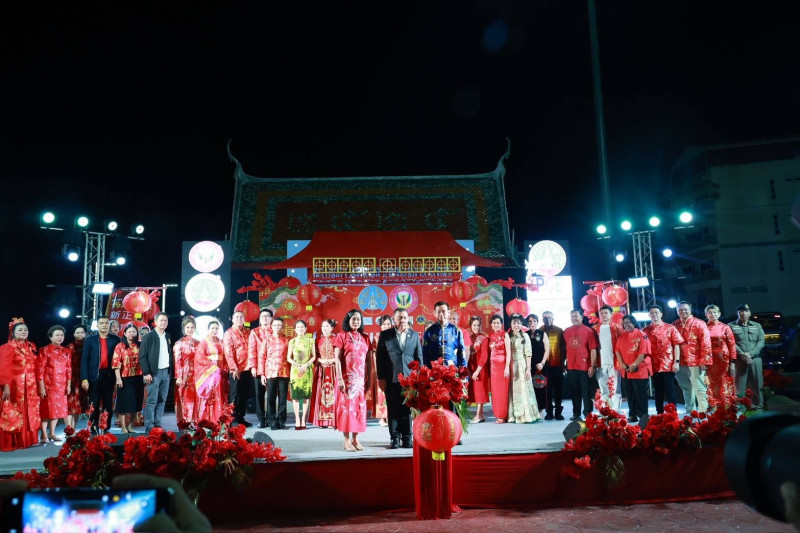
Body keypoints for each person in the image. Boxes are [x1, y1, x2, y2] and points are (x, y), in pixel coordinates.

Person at [376, 308, 423, 449]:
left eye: (404, 317)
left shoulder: (414, 335)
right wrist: (381, 378)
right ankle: (395, 438)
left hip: (409, 380)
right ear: (394, 319)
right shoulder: (386, 335)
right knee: (393, 409)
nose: (402, 320)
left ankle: (407, 437)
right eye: (399, 317)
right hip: (391, 378)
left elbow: (419, 358)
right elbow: (380, 358)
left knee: (407, 410)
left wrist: (420, 377)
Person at [334, 309, 372, 451]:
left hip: (360, 381)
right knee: (347, 409)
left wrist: (369, 379)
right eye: (353, 319)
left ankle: (356, 439)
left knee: (359, 409)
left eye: (358, 319)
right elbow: (337, 359)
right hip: (347, 380)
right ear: (348, 320)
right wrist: (340, 379)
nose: (356, 321)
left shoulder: (365, 338)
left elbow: (369, 361)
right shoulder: (342, 336)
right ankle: (346, 440)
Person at [0, 319, 41, 450]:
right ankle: (13, 442)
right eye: (20, 330)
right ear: (13, 332)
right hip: (15, 385)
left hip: (31, 385)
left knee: (30, 411)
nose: (23, 332)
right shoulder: (8, 347)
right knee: (13, 412)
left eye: (25, 330)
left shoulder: (31, 347)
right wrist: (5, 385)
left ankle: (27, 440)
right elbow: (4, 367)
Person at [80, 316, 121, 435]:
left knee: (108, 403)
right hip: (94, 376)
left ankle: (106, 428)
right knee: (94, 403)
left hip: (109, 376)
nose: (104, 325)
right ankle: (94, 428)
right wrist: (84, 378)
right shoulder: (90, 340)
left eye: (106, 323)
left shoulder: (116, 340)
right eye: (101, 323)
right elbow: (84, 360)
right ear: (97, 325)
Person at [643, 305, 684, 414]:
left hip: (668, 365)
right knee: (658, 390)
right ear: (648, 315)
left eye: (656, 312)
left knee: (670, 389)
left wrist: (676, 362)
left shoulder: (670, 328)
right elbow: (643, 349)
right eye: (651, 313)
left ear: (661, 314)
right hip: (653, 365)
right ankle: (659, 413)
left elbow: (676, 345)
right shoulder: (645, 330)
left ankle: (672, 413)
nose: (654, 314)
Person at [673, 301, 712, 412]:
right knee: (686, 388)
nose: (683, 311)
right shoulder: (675, 324)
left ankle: (703, 412)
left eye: (685, 309)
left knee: (699, 388)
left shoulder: (699, 323)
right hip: (680, 362)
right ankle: (690, 412)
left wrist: (704, 360)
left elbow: (706, 342)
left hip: (695, 361)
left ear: (690, 310)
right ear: (677, 311)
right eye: (680, 310)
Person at [139, 312, 173, 433]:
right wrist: (146, 372)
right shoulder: (148, 337)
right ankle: (149, 426)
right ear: (155, 322)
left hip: (166, 372)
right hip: (153, 373)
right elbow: (142, 356)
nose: (163, 322)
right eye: (161, 320)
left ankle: (158, 424)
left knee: (162, 400)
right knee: (152, 400)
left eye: (165, 320)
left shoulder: (168, 336)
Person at [37, 325, 72, 442]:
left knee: (56, 410)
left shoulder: (66, 351)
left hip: (61, 386)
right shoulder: (44, 350)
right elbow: (40, 370)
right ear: (51, 337)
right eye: (57, 335)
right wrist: (41, 387)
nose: (60, 337)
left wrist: (68, 385)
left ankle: (52, 433)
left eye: (62, 335)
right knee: (46, 410)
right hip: (48, 385)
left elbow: (68, 369)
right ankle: (43, 434)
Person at [615, 315, 652, 422]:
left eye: (629, 322)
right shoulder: (622, 336)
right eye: (624, 323)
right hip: (626, 370)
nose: (626, 325)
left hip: (639, 370)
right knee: (630, 395)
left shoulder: (642, 335)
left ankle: (643, 416)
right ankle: (632, 415)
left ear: (634, 322)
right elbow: (617, 350)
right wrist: (621, 363)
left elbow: (643, 352)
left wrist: (635, 364)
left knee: (640, 394)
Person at [563, 309, 598, 421]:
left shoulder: (589, 331)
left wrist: (592, 365)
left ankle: (588, 414)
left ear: (582, 317)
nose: (574, 318)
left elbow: (593, 349)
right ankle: (576, 414)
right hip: (571, 367)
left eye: (576, 316)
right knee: (574, 392)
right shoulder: (566, 331)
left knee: (586, 392)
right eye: (572, 316)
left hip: (584, 367)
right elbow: (564, 349)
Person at [729, 303, 766, 409]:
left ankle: (757, 407)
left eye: (746, 311)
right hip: (740, 360)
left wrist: (750, 354)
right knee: (739, 386)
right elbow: (731, 342)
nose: (743, 313)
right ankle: (740, 408)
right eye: (740, 311)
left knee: (757, 384)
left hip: (755, 359)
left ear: (749, 313)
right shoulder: (731, 326)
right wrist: (742, 354)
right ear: (737, 313)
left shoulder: (757, 326)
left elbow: (761, 342)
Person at [506, 314, 541, 423]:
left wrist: (528, 368)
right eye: (514, 323)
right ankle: (514, 415)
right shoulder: (509, 336)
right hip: (512, 365)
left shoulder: (525, 336)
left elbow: (528, 354)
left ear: (521, 324)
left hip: (522, 364)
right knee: (514, 389)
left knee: (523, 389)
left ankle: (526, 415)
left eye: (518, 323)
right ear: (511, 324)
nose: (516, 325)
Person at [112, 323, 144, 434]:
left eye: (133, 331)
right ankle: (123, 427)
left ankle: (130, 426)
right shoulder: (120, 346)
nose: (131, 334)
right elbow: (116, 363)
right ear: (125, 333)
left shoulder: (140, 345)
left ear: (137, 333)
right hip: (124, 378)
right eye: (129, 332)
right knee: (123, 404)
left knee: (135, 403)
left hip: (138, 378)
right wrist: (118, 378)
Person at [259, 317, 290, 430]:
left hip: (284, 372)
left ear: (282, 327)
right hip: (270, 372)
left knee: (282, 399)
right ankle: (271, 420)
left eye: (279, 325)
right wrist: (262, 374)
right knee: (271, 398)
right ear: (271, 326)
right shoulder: (266, 340)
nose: (277, 327)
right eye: (275, 325)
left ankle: (281, 421)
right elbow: (262, 357)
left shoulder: (287, 340)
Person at [704, 305, 738, 409]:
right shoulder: (703, 327)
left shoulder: (725, 327)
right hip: (709, 360)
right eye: (710, 313)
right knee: (711, 382)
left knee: (724, 382)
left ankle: (727, 406)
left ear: (719, 314)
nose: (712, 314)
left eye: (715, 312)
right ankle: (714, 406)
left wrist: (733, 362)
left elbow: (732, 345)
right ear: (706, 315)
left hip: (724, 361)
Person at [223, 311, 252, 427]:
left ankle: (241, 417)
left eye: (241, 317)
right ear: (232, 319)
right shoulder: (229, 333)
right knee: (235, 394)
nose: (239, 319)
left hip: (247, 368)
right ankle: (232, 419)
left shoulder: (248, 332)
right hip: (236, 368)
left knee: (244, 394)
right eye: (237, 317)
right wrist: (233, 368)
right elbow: (228, 352)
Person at [194, 320, 226, 423]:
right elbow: (199, 358)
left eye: (216, 328)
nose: (214, 330)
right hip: (209, 374)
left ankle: (218, 419)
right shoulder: (203, 342)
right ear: (208, 330)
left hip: (220, 373)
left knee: (219, 395)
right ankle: (207, 420)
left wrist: (223, 368)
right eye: (212, 328)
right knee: (209, 396)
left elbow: (225, 356)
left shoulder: (221, 342)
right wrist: (213, 368)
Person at [592, 305, 623, 410]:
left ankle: (615, 411)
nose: (604, 315)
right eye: (601, 313)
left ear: (611, 315)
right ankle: (606, 411)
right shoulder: (595, 329)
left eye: (606, 313)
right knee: (603, 389)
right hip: (600, 363)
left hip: (615, 363)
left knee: (615, 389)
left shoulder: (617, 328)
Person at [287, 319, 316, 429]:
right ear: (295, 329)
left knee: (305, 396)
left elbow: (313, 356)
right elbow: (288, 358)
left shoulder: (310, 341)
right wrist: (296, 364)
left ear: (305, 329)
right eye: (298, 327)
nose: (300, 329)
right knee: (295, 396)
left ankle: (303, 419)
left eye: (302, 327)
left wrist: (306, 365)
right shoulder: (292, 341)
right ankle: (297, 419)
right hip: (295, 370)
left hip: (307, 370)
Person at [311, 319, 339, 429]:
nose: (324, 328)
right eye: (323, 326)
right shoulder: (318, 340)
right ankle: (322, 421)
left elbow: (340, 355)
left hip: (333, 370)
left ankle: (332, 421)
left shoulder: (336, 339)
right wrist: (320, 360)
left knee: (333, 393)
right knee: (322, 394)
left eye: (327, 326)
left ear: (332, 328)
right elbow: (314, 356)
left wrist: (332, 360)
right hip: (321, 370)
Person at [248, 308, 273, 428]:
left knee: (271, 394)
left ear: (271, 318)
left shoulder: (275, 331)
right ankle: (261, 419)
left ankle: (271, 418)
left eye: (267, 316)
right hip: (259, 367)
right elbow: (252, 349)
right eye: (262, 316)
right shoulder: (255, 332)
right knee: (259, 395)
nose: (264, 318)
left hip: (273, 368)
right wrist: (253, 366)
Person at [422, 301, 466, 368]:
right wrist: (426, 370)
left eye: (444, 311)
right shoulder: (429, 331)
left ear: (448, 312)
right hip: (434, 371)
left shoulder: (456, 331)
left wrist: (463, 370)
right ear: (434, 313)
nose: (441, 314)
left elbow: (462, 352)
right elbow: (424, 353)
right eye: (438, 312)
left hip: (452, 370)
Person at [173, 316, 199, 428]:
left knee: (195, 399)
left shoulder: (198, 343)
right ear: (184, 328)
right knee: (184, 399)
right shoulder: (179, 343)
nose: (190, 329)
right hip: (184, 375)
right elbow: (177, 361)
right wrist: (178, 376)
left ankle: (194, 421)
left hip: (196, 375)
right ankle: (185, 423)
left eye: (192, 327)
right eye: (187, 327)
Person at [540, 311, 566, 420]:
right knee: (547, 390)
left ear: (553, 318)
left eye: (549, 318)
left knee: (558, 390)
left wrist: (563, 363)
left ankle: (558, 412)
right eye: (545, 318)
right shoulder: (539, 331)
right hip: (545, 366)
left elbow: (563, 348)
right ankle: (549, 412)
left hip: (558, 364)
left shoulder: (559, 330)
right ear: (542, 320)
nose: (548, 320)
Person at [487, 314, 511, 423]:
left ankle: (503, 415)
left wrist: (507, 367)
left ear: (501, 324)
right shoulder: (490, 336)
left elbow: (509, 352)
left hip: (502, 367)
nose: (496, 325)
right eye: (494, 323)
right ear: (491, 325)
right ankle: (498, 414)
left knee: (502, 392)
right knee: (495, 392)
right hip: (493, 368)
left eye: (498, 323)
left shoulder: (505, 335)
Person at [369, 315, 391, 427]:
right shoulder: (377, 338)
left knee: (391, 393)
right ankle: (382, 417)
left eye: (388, 324)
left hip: (391, 369)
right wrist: (376, 369)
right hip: (380, 368)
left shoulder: (393, 336)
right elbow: (374, 355)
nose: (386, 326)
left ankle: (390, 416)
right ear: (380, 326)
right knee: (381, 394)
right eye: (384, 324)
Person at [467, 316, 490, 423]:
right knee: (474, 391)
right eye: (474, 325)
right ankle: (481, 415)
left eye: (478, 325)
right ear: (470, 326)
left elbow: (484, 356)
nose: (476, 327)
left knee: (480, 390)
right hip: (471, 367)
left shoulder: (484, 338)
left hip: (480, 368)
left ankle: (478, 415)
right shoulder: (468, 337)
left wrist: (477, 371)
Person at [526, 314, 549, 417]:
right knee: (530, 388)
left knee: (540, 387)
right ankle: (532, 411)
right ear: (527, 323)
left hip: (540, 365)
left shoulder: (542, 333)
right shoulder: (525, 334)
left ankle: (540, 410)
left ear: (537, 322)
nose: (532, 323)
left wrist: (542, 362)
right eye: (530, 321)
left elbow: (547, 350)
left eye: (534, 321)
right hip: (528, 366)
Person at [65, 324, 88, 431]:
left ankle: (73, 428)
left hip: (83, 378)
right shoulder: (70, 347)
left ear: (86, 333)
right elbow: (67, 364)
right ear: (74, 334)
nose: (80, 334)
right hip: (72, 378)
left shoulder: (88, 345)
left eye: (82, 332)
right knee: (70, 404)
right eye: (77, 332)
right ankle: (69, 429)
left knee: (78, 405)